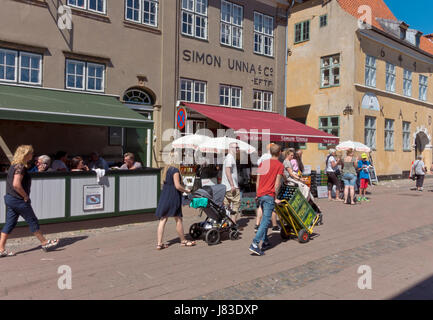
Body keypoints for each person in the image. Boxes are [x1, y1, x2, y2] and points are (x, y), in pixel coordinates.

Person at [0, 145, 59, 257]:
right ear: (26, 154)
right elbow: (16, 184)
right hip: (18, 200)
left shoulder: (14, 166)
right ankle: (44, 242)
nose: (33, 155)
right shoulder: (20, 167)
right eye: (31, 153)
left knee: (10, 223)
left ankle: (1, 249)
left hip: (10, 198)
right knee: (32, 220)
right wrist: (25, 196)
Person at [155, 152, 195, 250]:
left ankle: (159, 244)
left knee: (163, 219)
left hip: (165, 195)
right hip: (173, 196)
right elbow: (177, 186)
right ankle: (183, 240)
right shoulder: (175, 170)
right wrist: (186, 190)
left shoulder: (166, 170)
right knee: (178, 219)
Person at [249, 144, 284, 256]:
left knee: (264, 218)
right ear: (279, 153)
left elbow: (258, 180)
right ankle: (255, 243)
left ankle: (265, 241)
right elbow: (277, 183)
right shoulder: (279, 165)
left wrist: (257, 193)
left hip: (261, 193)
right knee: (265, 221)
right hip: (269, 195)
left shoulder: (263, 163)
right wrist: (276, 197)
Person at [222, 142, 241, 224]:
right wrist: (232, 185)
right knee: (236, 205)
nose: (237, 149)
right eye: (236, 147)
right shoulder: (230, 157)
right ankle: (233, 224)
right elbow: (227, 171)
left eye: (238, 147)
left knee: (226, 206)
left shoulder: (228, 157)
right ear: (231, 148)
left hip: (226, 186)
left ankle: (226, 222)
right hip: (231, 187)